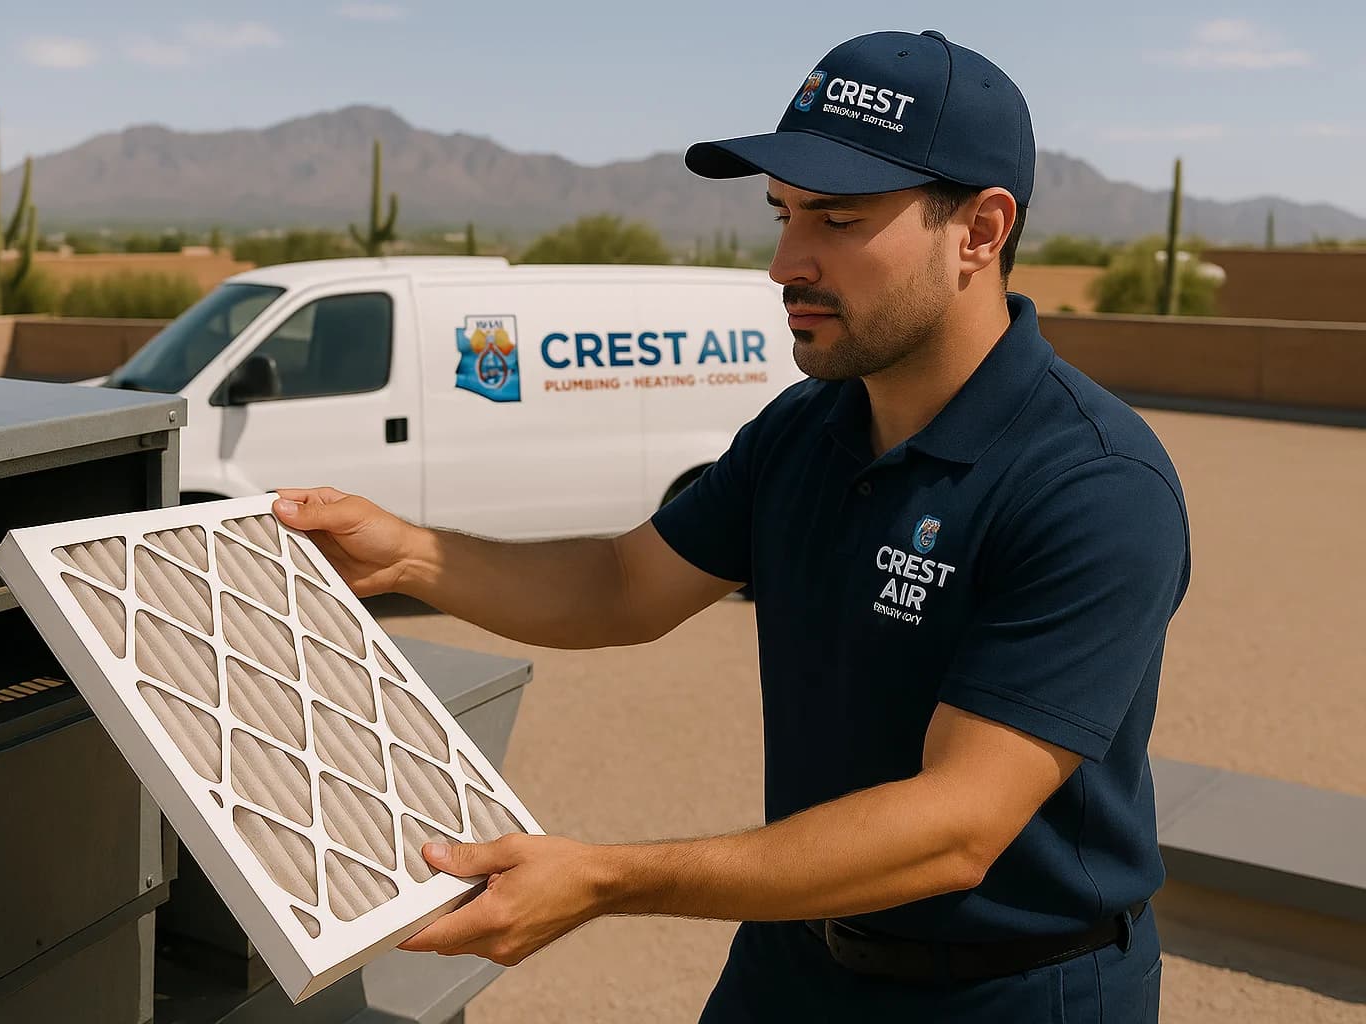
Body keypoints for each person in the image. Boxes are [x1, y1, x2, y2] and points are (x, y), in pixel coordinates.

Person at [273, 27, 1189, 1023]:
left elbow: (955, 827)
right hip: (792, 964)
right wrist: (408, 553)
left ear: (980, 230)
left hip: (1013, 991)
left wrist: (605, 880)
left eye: (838, 219)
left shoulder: (1092, 483)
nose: (786, 263)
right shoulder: (803, 429)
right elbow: (624, 584)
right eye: (782, 214)